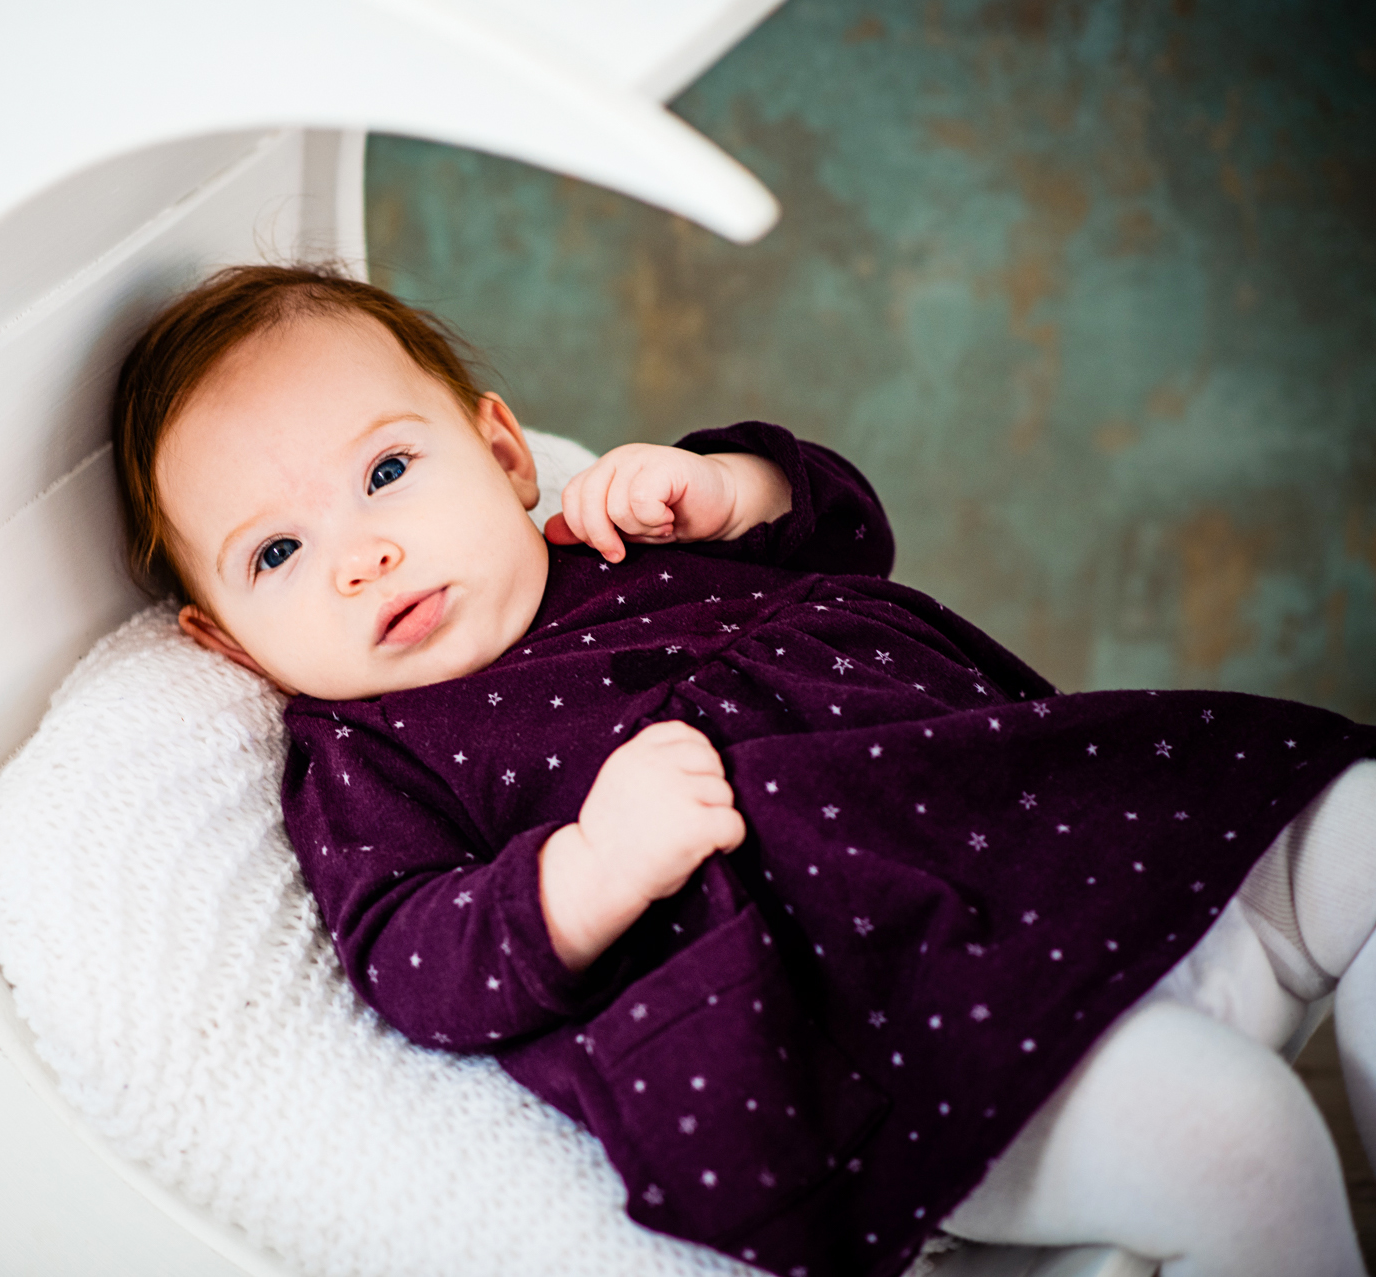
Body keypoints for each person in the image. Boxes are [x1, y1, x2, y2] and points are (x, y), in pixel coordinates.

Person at [110, 263, 1376, 1277]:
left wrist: (727, 484)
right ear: (229, 640)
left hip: (1063, 839)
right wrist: (585, 870)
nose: (361, 556)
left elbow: (849, 531)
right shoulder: (366, 751)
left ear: (501, 455)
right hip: (892, 1020)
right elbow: (412, 956)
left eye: (385, 472)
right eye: (275, 552)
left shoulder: (603, 530)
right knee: (1239, 1141)